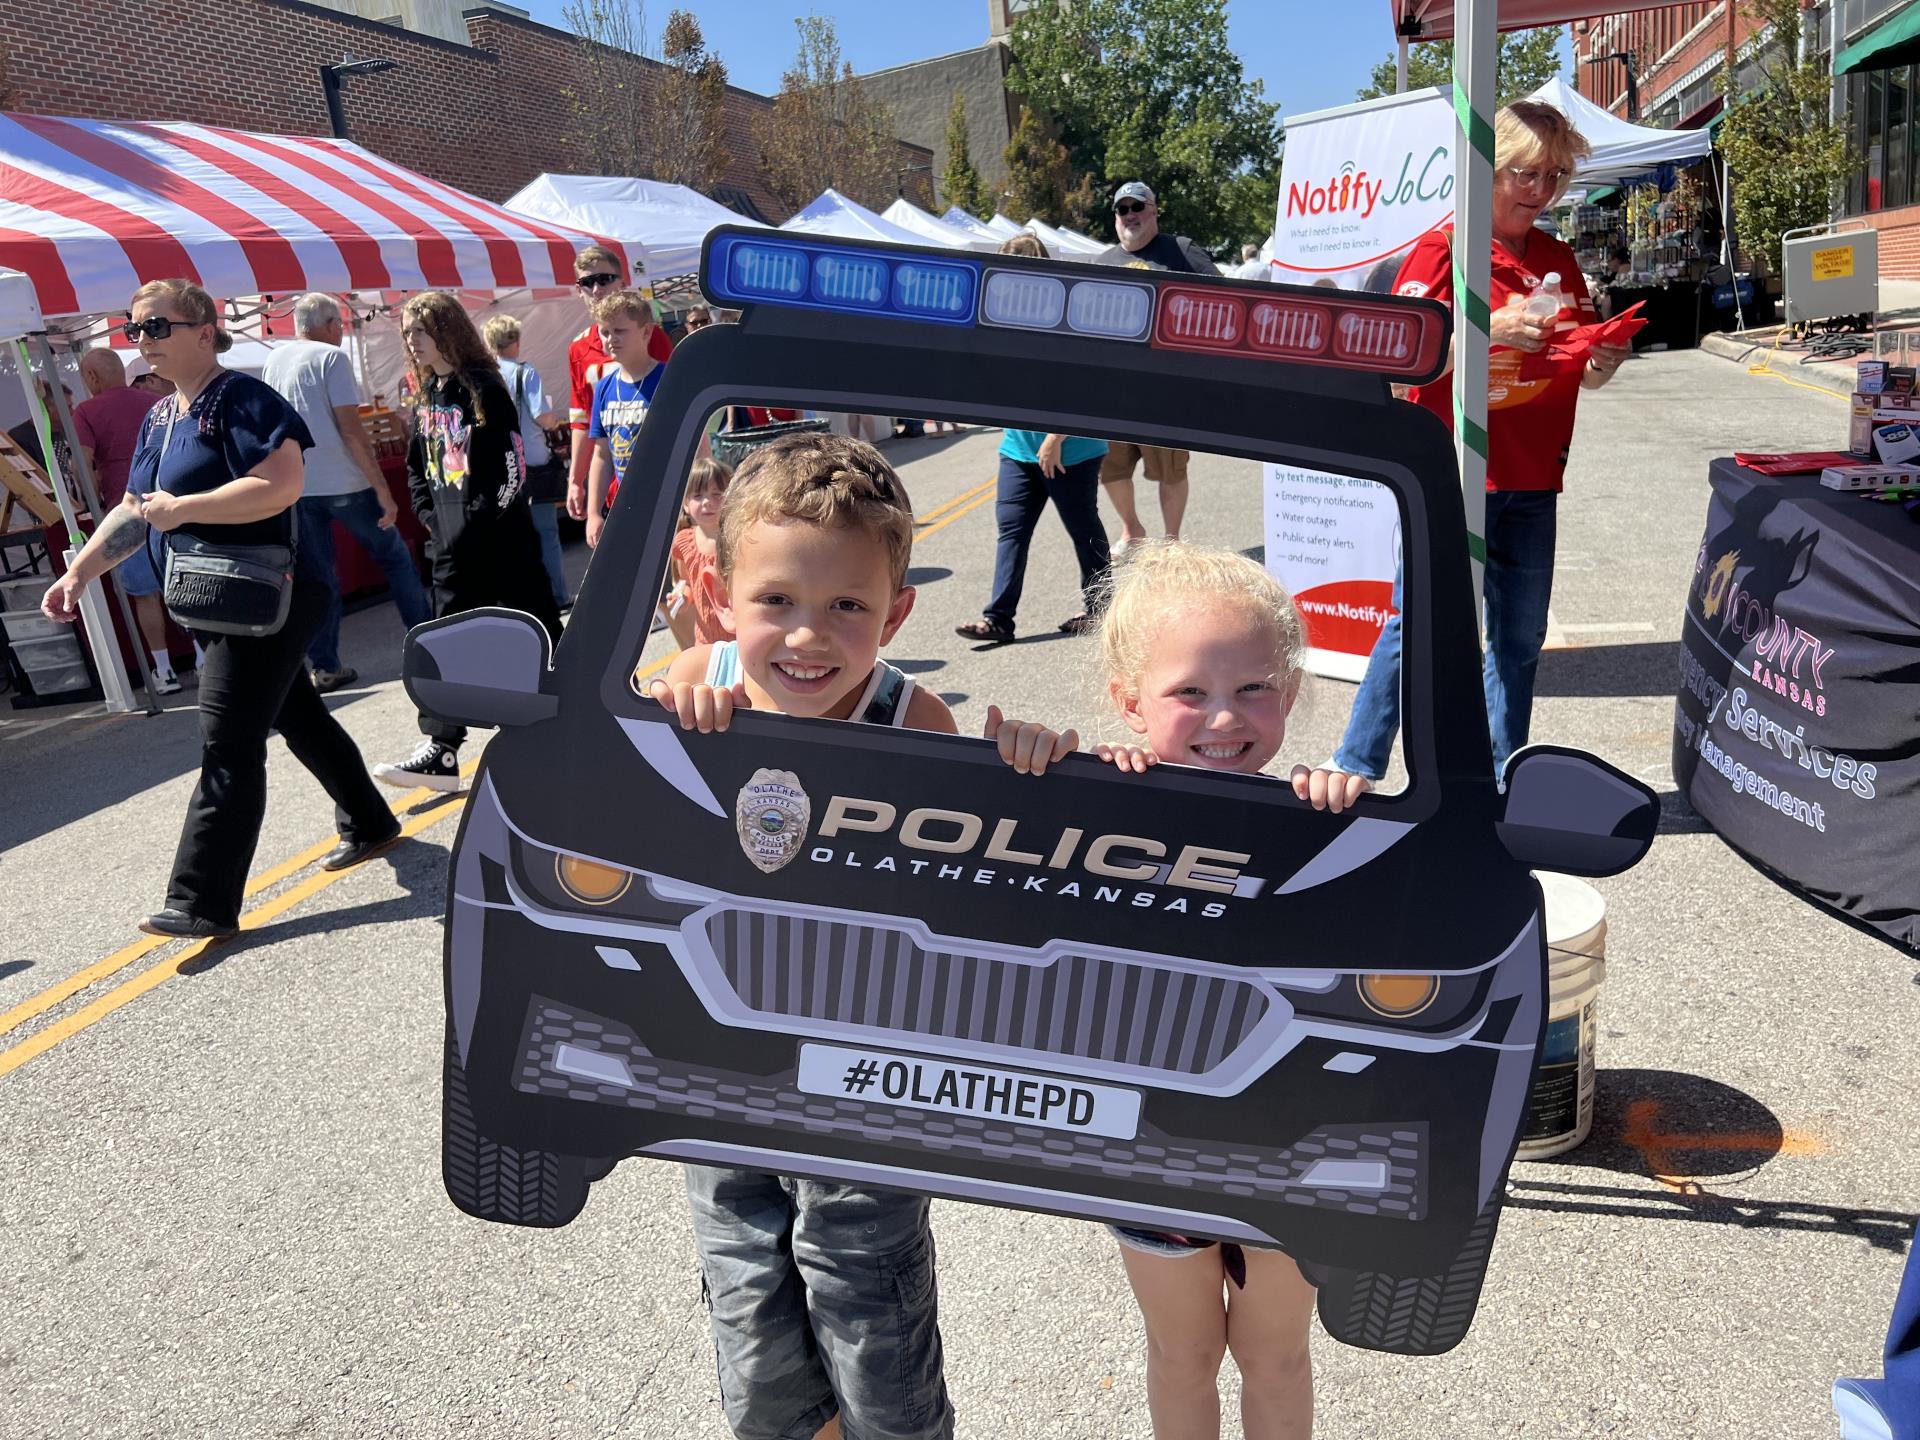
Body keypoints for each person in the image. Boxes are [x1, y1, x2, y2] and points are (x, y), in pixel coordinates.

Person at [982, 542, 1366, 1440]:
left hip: (1289, 1146)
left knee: (1276, 1356)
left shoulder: (1315, 822)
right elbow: (998, 853)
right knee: (1183, 1355)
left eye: (1255, 689)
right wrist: (1034, 761)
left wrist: (1345, 808)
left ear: (1294, 693)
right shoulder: (1097, 811)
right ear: (1129, 701)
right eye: (1190, 692)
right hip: (1150, 1147)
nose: (1223, 718)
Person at [646, 433, 956, 1440]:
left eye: (848, 608)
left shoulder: (917, 722)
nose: (809, 637)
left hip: (862, 1083)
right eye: (777, 600)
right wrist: (669, 711)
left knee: (874, 1317)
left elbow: (975, 894)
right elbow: (608, 821)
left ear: (896, 613)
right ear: (720, 592)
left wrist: (1030, 762)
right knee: (750, 1317)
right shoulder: (698, 687)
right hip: (719, 1073)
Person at [40, 279, 400, 940]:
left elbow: (281, 484)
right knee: (300, 715)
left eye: (156, 327)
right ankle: (371, 821)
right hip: (228, 596)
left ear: (205, 331)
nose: (141, 340)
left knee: (228, 740)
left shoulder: (242, 398)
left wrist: (186, 510)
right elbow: (132, 508)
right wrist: (81, 573)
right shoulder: (161, 414)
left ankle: (201, 899)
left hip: (273, 593)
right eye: (134, 329)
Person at [1332, 100, 1629, 787]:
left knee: (1520, 643)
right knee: (1419, 626)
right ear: (1489, 169)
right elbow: (1402, 362)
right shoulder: (1444, 248)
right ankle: (1354, 766)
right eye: (1526, 173)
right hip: (1457, 474)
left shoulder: (1557, 255)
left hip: (1534, 478)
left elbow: (1578, 370)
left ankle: (1500, 778)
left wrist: (1601, 362)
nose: (1540, 190)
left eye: (1554, 176)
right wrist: (1488, 328)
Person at [375, 292, 560, 793]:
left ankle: (563, 720)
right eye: (408, 333)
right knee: (445, 644)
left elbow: (510, 470)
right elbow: (418, 466)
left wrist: (474, 524)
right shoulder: (426, 392)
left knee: (533, 631)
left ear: (447, 331)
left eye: (419, 331)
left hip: (503, 544)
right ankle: (442, 747)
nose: (411, 342)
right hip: (450, 549)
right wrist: (432, 518)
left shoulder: (482, 388)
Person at [262, 293, 431, 694]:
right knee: (395, 559)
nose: (341, 330)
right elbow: (351, 431)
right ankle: (430, 645)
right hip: (345, 482)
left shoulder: (274, 360)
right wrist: (382, 488)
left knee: (321, 577)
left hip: (299, 486)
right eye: (337, 323)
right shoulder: (332, 358)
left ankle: (325, 664)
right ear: (328, 325)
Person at [955, 234, 1113, 645]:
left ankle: (1103, 610)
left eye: (1017, 265)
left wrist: (1055, 437)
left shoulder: (1066, 311)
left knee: (1084, 531)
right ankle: (999, 620)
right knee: (1012, 532)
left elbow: (1089, 383)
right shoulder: (1004, 314)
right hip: (1018, 448)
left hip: (1071, 449)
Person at [1095, 181, 1220, 549]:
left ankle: (1171, 541)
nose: (1130, 214)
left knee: (1170, 468)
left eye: (1138, 206)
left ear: (1154, 210)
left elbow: (1222, 297)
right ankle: (1132, 529)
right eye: (1123, 209)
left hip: (1166, 387)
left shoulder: (1180, 251)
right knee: (1111, 468)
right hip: (1115, 389)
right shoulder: (1102, 263)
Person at [70, 349, 175, 692]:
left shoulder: (85, 411)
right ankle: (205, 659)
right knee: (181, 583)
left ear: (91, 377)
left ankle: (165, 670)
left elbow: (81, 464)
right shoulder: (154, 401)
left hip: (124, 508)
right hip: (171, 500)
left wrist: (91, 504)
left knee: (145, 594)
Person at [564, 245, 672, 529]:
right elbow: (582, 421)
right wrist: (576, 481)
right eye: (587, 282)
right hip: (614, 488)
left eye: (604, 279)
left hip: (658, 485)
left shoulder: (652, 336)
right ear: (578, 290)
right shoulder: (577, 348)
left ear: (622, 282)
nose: (596, 288)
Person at [483, 313, 569, 610]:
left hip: (498, 464)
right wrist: (555, 417)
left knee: (511, 534)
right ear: (516, 341)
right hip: (531, 459)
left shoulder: (485, 374)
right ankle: (556, 594)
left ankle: (521, 598)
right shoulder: (525, 373)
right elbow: (542, 417)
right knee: (546, 532)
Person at [584, 288, 665, 550]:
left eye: (620, 331)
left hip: (665, 505)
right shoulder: (604, 387)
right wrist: (593, 513)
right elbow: (601, 455)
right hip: (622, 507)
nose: (611, 339)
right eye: (605, 332)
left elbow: (698, 447)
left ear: (646, 332)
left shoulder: (669, 379)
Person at [664, 456, 730, 651]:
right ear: (685, 503)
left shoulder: (739, 539)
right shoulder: (683, 542)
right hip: (705, 638)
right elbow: (686, 582)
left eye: (717, 494)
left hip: (742, 636)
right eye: (698, 496)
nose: (707, 502)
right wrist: (682, 598)